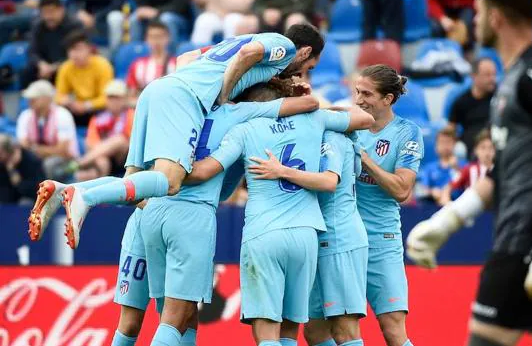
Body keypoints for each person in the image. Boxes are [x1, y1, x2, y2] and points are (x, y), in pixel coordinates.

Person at [407, 0, 532, 346]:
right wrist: (447, 222)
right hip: (531, 238)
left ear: (496, 17)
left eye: (478, 9)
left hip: (527, 238)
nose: (473, 18)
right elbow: (502, 170)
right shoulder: (511, 78)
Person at [29, 24, 325, 250]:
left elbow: (184, 57)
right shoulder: (283, 46)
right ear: (306, 52)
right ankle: (86, 197)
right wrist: (221, 95)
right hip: (184, 99)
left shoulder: (238, 43)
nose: (302, 72)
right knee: (170, 180)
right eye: (308, 67)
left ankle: (64, 190)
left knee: (136, 186)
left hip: (158, 90)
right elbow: (250, 56)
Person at [112, 80, 321, 346]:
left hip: (150, 215)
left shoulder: (173, 111)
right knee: (172, 317)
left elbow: (134, 177)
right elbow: (313, 106)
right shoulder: (239, 123)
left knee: (171, 317)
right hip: (186, 217)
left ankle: (84, 194)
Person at [182, 98, 373, 346]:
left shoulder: (247, 128)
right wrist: (318, 107)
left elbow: (209, 171)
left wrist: (167, 175)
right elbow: (364, 119)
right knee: (305, 332)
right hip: (308, 234)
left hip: (273, 234)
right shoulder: (314, 121)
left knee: (270, 332)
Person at [248, 128, 369, 346]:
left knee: (345, 329)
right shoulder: (310, 135)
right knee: (315, 333)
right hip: (315, 238)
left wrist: (282, 171)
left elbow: (329, 182)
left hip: (338, 238)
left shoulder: (332, 136)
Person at [352, 64, 424, 346]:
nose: (358, 99)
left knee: (392, 329)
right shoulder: (348, 124)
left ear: (388, 99)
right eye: (357, 91)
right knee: (323, 327)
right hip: (342, 238)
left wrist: (365, 159)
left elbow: (402, 189)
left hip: (381, 239)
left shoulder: (407, 133)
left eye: (367, 94)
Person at [16, 80, 79, 183]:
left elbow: (62, 150)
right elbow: (23, 145)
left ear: (47, 99)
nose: (30, 100)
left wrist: (35, 148)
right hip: (36, 159)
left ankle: (50, 196)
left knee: (49, 164)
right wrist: (42, 150)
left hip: (66, 161)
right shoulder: (25, 116)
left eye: (35, 98)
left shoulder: (62, 115)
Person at [74, 80, 135, 181]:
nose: (113, 101)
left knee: (119, 140)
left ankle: (80, 163)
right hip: (103, 157)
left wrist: (108, 147)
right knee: (102, 161)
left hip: (124, 157)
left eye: (117, 98)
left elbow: (130, 141)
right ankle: (101, 193)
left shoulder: (132, 115)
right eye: (110, 97)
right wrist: (105, 150)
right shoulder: (98, 118)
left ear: (125, 99)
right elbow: (91, 142)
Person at [21, 0, 83, 88]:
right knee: (26, 71)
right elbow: (32, 51)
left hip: (66, 66)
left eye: (51, 12)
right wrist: (41, 64)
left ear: (61, 10)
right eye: (44, 13)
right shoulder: (38, 26)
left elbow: (78, 53)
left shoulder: (74, 26)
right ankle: (27, 100)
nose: (48, 17)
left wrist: (54, 67)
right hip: (44, 67)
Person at [55, 30, 114, 126]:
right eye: (71, 50)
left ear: (89, 49)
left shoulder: (102, 65)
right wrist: (66, 101)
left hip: (97, 109)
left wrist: (87, 105)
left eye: (79, 49)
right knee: (59, 114)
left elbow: (107, 98)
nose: (74, 54)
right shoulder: (65, 67)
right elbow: (59, 96)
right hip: (75, 108)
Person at [448, 58, 497, 156]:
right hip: (470, 151)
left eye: (494, 74)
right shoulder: (461, 102)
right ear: (474, 76)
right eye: (487, 75)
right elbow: (450, 131)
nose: (492, 79)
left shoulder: (499, 97)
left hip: (494, 147)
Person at [125, 20, 176, 106]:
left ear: (168, 38)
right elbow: (130, 97)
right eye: (152, 37)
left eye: (159, 36)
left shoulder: (176, 63)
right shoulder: (138, 65)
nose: (156, 41)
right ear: (146, 39)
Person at [440, 129, 495, 205]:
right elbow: (448, 188)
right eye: (483, 148)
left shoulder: (501, 170)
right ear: (476, 150)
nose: (487, 152)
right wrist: (448, 204)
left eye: (491, 148)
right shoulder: (468, 169)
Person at [418, 127, 466, 206]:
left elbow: (467, 188)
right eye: (442, 142)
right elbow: (422, 189)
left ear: (455, 145)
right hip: (432, 206)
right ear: (436, 146)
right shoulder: (429, 168)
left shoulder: (464, 165)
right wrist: (432, 191)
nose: (445, 146)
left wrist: (456, 168)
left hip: (457, 205)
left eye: (448, 142)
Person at [0, 134, 45, 204]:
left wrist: (18, 181)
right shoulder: (3, 163)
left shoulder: (31, 160)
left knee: (24, 202)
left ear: (7, 152)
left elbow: (38, 190)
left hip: (29, 200)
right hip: (8, 200)